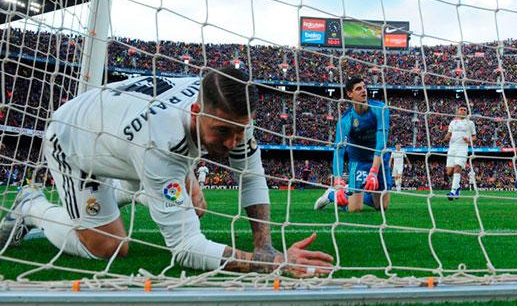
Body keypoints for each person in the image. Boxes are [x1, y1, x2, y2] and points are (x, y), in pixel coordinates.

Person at [0, 67, 333, 276]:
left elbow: (251, 173)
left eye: (239, 132)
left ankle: (143, 190)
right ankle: (32, 206)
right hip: (75, 140)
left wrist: (265, 245)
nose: (233, 143)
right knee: (108, 247)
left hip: (124, 132)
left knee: (195, 205)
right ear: (196, 111)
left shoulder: (228, 109)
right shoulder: (159, 143)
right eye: (222, 132)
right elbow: (186, 248)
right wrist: (273, 265)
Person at [314, 77, 391, 212]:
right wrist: (337, 181)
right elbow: (339, 151)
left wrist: (373, 172)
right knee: (355, 209)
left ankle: (359, 191)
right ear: (350, 94)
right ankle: (331, 194)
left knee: (382, 207)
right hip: (359, 161)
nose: (363, 91)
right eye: (358, 89)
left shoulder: (380, 109)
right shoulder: (346, 120)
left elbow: (381, 142)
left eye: (364, 87)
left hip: (378, 160)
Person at [443, 104, 476, 200]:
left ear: (467, 112)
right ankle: (457, 187)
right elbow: (448, 134)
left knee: (458, 167)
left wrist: (469, 140)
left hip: (462, 148)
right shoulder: (453, 123)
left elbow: (474, 137)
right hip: (452, 147)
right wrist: (446, 137)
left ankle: (452, 192)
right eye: (461, 109)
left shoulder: (470, 123)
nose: (462, 111)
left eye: (464, 110)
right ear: (458, 111)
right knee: (449, 172)